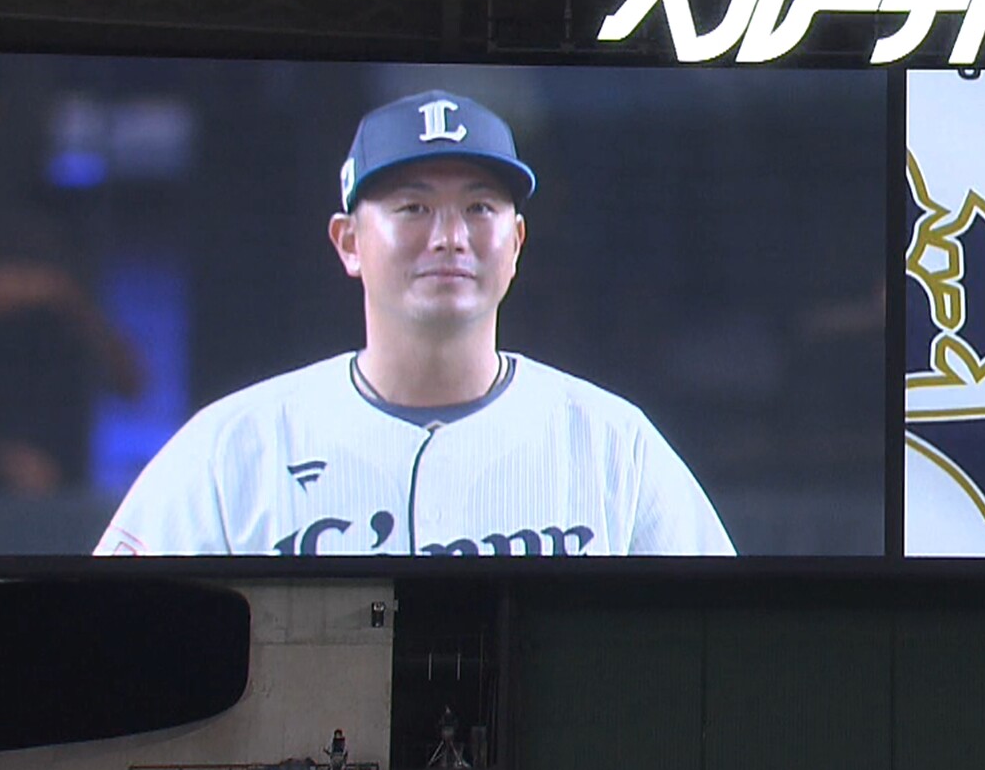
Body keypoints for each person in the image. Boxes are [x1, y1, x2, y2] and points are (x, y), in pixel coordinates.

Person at [94, 90, 734, 556]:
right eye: (412, 208)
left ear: (516, 241)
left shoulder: (612, 445)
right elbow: (112, 638)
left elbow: (720, 640)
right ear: (348, 242)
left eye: (478, 207)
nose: (450, 237)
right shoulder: (233, 448)